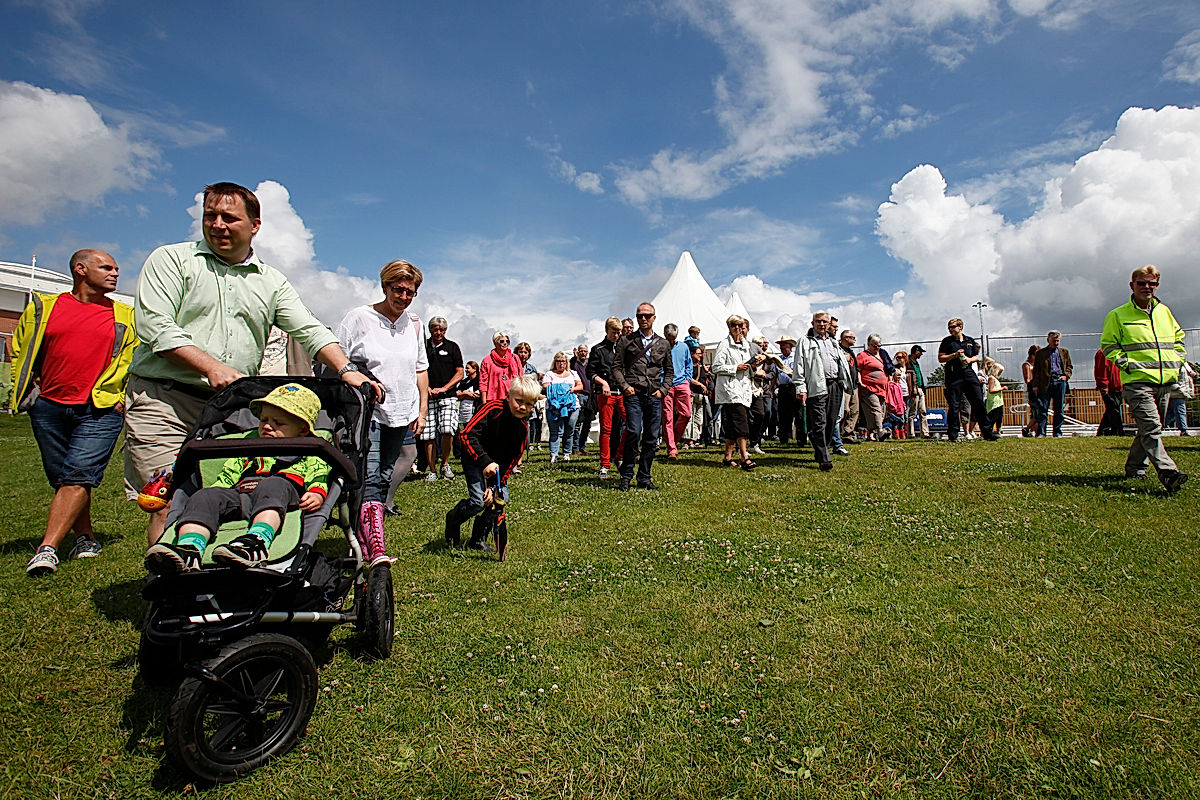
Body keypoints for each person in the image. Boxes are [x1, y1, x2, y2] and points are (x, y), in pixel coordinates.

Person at [125, 182, 379, 546]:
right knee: (168, 499)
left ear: (255, 225)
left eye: (229, 217)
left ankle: (234, 572)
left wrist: (345, 369)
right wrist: (211, 366)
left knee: (242, 490)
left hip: (229, 407)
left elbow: (307, 328)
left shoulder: (271, 281)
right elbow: (155, 327)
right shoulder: (171, 260)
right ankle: (173, 587)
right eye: (210, 216)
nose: (217, 224)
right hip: (165, 399)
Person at [13, 250, 140, 577]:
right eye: (107, 267)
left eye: (116, 268)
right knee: (64, 477)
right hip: (49, 406)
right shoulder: (43, 308)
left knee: (79, 473)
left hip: (100, 408)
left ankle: (47, 550)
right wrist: (29, 390)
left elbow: (135, 360)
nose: (115, 273)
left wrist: (122, 396)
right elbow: (20, 349)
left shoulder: (126, 316)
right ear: (80, 269)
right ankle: (84, 537)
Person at [143, 383, 329, 572]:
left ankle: (256, 542)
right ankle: (189, 548)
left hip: (279, 497)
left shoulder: (308, 449)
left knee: (273, 484)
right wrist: (214, 492)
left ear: (303, 430)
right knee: (205, 496)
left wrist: (317, 492)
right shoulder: (250, 445)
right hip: (241, 495)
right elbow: (229, 472)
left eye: (278, 423)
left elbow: (319, 470)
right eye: (263, 419)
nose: (267, 426)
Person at [335, 260, 429, 562]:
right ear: (384, 286)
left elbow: (420, 368)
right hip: (368, 411)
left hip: (403, 410)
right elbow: (337, 360)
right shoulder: (359, 318)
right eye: (397, 290)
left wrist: (422, 408)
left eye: (409, 292)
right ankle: (373, 546)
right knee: (371, 475)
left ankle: (369, 529)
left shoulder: (414, 323)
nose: (403, 297)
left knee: (387, 474)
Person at [1101, 265, 1188, 493]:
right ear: (1132, 286)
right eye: (1142, 283)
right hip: (1137, 381)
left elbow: (1179, 338)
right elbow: (1108, 345)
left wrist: (1178, 359)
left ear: (1157, 285)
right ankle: (1168, 472)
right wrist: (1126, 363)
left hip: (1164, 381)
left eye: (1152, 283)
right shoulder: (1118, 315)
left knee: (1147, 428)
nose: (1147, 287)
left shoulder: (1164, 312)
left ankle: (1135, 468)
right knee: (1152, 426)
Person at [444, 375, 540, 550]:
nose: (522, 407)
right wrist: (485, 462)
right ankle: (454, 519)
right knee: (478, 502)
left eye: (528, 404)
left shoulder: (522, 429)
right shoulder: (492, 409)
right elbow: (466, 435)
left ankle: (478, 537)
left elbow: (510, 462)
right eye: (519, 401)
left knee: (500, 498)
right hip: (474, 458)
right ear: (508, 396)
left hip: (495, 468)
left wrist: (495, 486)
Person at [611, 302, 673, 490]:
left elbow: (669, 371)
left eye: (647, 315)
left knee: (651, 437)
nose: (643, 319)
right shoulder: (626, 341)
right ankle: (626, 475)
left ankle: (644, 477)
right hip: (633, 394)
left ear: (654, 317)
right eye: (640, 316)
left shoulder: (663, 343)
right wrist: (625, 386)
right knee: (634, 432)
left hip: (654, 395)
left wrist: (663, 390)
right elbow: (616, 367)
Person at [796, 312, 848, 470]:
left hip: (834, 385)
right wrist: (800, 387)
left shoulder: (833, 342)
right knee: (819, 421)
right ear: (812, 323)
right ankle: (825, 458)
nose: (822, 324)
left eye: (825, 321)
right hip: (816, 385)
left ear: (829, 324)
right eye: (818, 321)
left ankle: (819, 447)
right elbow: (799, 365)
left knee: (832, 420)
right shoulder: (804, 342)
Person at [712, 315, 763, 470]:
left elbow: (748, 368)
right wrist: (735, 368)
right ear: (729, 327)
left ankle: (728, 457)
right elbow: (716, 367)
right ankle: (744, 457)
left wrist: (754, 365)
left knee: (732, 425)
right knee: (742, 423)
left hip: (744, 389)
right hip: (730, 390)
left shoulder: (746, 346)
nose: (738, 328)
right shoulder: (724, 345)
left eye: (740, 326)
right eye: (734, 325)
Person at [938, 318, 998, 442]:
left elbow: (976, 356)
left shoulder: (970, 341)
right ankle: (953, 435)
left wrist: (969, 360)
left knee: (978, 402)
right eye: (949, 327)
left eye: (953, 327)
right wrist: (954, 355)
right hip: (954, 375)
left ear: (960, 327)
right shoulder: (947, 342)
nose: (950, 329)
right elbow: (941, 358)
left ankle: (987, 432)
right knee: (954, 406)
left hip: (968, 373)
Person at [420, 317, 464, 481]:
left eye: (441, 330)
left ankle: (445, 464)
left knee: (447, 429)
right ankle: (432, 470)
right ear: (431, 329)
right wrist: (426, 388)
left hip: (448, 396)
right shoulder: (422, 347)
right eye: (435, 329)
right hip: (428, 396)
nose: (438, 333)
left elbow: (460, 372)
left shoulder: (452, 347)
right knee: (428, 434)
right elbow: (416, 370)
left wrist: (445, 388)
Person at [586, 317, 625, 479]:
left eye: (618, 332)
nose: (616, 335)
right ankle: (604, 464)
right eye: (614, 332)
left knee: (633, 426)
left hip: (622, 392)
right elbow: (590, 372)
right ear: (607, 331)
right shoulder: (598, 349)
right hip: (606, 395)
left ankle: (620, 455)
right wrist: (603, 383)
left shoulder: (623, 348)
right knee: (606, 429)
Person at [661, 323, 694, 460]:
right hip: (666, 385)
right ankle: (672, 449)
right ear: (665, 336)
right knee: (667, 418)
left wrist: (687, 379)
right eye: (669, 338)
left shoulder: (684, 347)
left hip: (682, 383)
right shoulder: (660, 347)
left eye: (673, 338)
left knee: (686, 414)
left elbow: (689, 364)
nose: (671, 341)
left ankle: (673, 439)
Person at [543, 352, 583, 463]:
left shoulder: (573, 373)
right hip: (554, 406)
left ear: (567, 363)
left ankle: (567, 453)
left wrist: (572, 390)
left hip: (572, 405)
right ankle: (554, 454)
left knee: (570, 429)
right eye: (559, 361)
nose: (561, 364)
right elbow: (545, 386)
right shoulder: (549, 374)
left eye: (564, 361)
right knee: (556, 431)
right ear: (555, 362)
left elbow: (580, 386)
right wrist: (561, 388)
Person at [1032, 330, 1073, 437]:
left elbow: (1069, 366)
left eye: (1058, 341)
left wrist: (1066, 376)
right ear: (1048, 340)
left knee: (1059, 409)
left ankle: (1057, 432)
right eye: (1054, 341)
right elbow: (1036, 370)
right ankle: (1041, 432)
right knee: (1043, 409)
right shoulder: (1041, 353)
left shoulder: (1064, 352)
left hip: (1060, 381)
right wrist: (1035, 385)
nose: (1056, 343)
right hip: (1045, 383)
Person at [855, 334, 891, 441]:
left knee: (879, 411)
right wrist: (860, 382)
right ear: (868, 344)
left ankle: (871, 434)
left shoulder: (882, 355)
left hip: (882, 389)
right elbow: (857, 369)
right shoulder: (862, 356)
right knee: (876, 410)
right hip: (869, 388)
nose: (877, 348)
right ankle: (880, 432)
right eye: (874, 346)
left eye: (879, 345)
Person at [479, 331, 522, 405]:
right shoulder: (487, 361)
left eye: (507, 341)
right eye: (502, 341)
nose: (505, 343)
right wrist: (484, 404)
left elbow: (521, 378)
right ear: (495, 343)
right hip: (493, 400)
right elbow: (483, 383)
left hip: (512, 399)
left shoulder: (515, 358)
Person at [514, 342, 542, 451]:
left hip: (528, 400)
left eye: (525, 352)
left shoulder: (531, 368)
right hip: (516, 399)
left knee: (529, 424)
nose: (523, 354)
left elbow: (535, 385)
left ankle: (526, 445)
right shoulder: (512, 366)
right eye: (520, 352)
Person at [774, 336, 800, 446]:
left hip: (795, 387)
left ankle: (800, 439)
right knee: (784, 415)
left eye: (785, 346)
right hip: (783, 388)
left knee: (798, 414)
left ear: (790, 347)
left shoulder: (796, 358)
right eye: (781, 347)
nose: (783, 348)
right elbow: (775, 375)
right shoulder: (778, 360)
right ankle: (784, 439)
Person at [570, 344, 594, 455]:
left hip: (590, 396)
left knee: (587, 423)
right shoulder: (574, 364)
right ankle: (575, 447)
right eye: (581, 351)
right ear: (578, 352)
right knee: (577, 423)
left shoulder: (590, 365)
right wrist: (575, 357)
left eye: (585, 351)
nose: (583, 353)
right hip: (579, 395)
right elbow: (570, 364)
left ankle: (582, 446)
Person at [1094, 347, 1124, 436]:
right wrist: (1103, 385)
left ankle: (1104, 431)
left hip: (1118, 385)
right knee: (1114, 408)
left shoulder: (1117, 352)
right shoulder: (1103, 353)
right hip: (1111, 386)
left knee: (1112, 409)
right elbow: (1101, 370)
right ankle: (1118, 431)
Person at [839, 330, 860, 444]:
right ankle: (839, 433)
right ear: (846, 338)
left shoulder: (851, 352)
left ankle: (848, 433)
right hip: (845, 385)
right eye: (852, 337)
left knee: (854, 410)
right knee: (844, 410)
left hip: (854, 385)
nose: (854, 340)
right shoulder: (839, 351)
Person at [907, 346, 930, 437]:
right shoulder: (908, 362)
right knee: (912, 412)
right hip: (914, 389)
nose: (921, 354)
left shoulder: (916, 363)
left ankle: (925, 432)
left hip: (920, 388)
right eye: (920, 352)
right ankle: (910, 433)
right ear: (915, 352)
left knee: (923, 411)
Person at [983, 357, 1005, 434]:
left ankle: (998, 431)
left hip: (999, 402)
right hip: (993, 402)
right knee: (992, 417)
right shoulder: (991, 378)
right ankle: (988, 431)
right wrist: (1001, 389)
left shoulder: (996, 379)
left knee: (999, 417)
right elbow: (991, 390)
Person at [456, 361, 481, 429]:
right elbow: (457, 395)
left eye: (468, 368)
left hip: (474, 410)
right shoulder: (464, 382)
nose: (466, 370)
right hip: (464, 411)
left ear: (474, 369)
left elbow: (477, 396)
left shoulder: (480, 381)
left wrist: (462, 396)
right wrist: (466, 393)